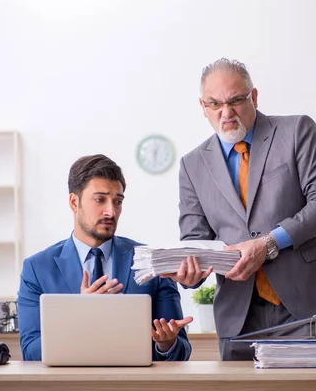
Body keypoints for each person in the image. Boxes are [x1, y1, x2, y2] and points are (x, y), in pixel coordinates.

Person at [173, 58, 316, 360]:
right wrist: (191, 273)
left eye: (235, 101)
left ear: (253, 97)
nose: (226, 113)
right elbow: (196, 239)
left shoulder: (297, 131)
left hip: (304, 304)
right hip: (238, 316)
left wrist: (268, 244)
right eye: (214, 104)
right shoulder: (192, 165)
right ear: (202, 107)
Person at [17, 154, 196, 361]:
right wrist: (79, 316)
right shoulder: (37, 269)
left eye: (117, 201)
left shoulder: (152, 262)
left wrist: (166, 344)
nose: (111, 211)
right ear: (74, 203)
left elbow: (181, 351)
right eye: (100, 199)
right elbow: (31, 352)